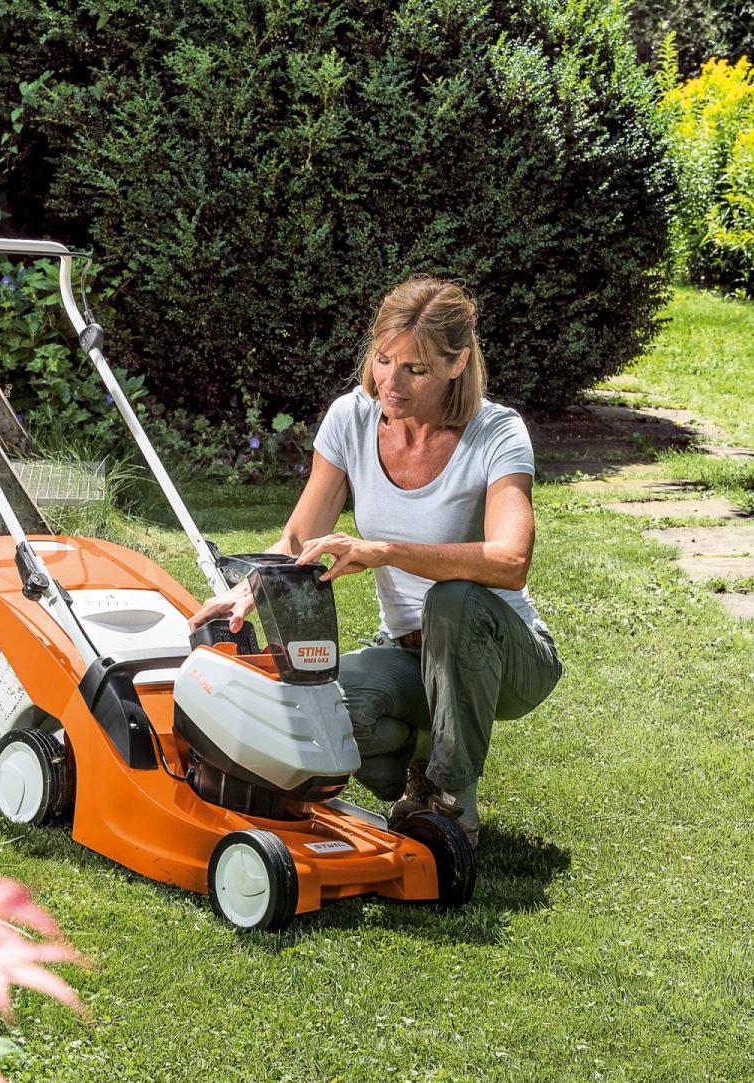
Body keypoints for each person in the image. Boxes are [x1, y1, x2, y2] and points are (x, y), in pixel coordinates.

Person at [189, 275, 563, 849]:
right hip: (408, 657)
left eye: (414, 369)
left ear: (458, 363)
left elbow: (511, 561)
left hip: (504, 654)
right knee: (329, 719)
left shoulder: (497, 432)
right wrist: (250, 591)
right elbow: (300, 535)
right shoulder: (352, 419)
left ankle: (450, 798)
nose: (390, 381)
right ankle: (429, 754)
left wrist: (386, 551)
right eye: (383, 359)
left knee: (453, 599)